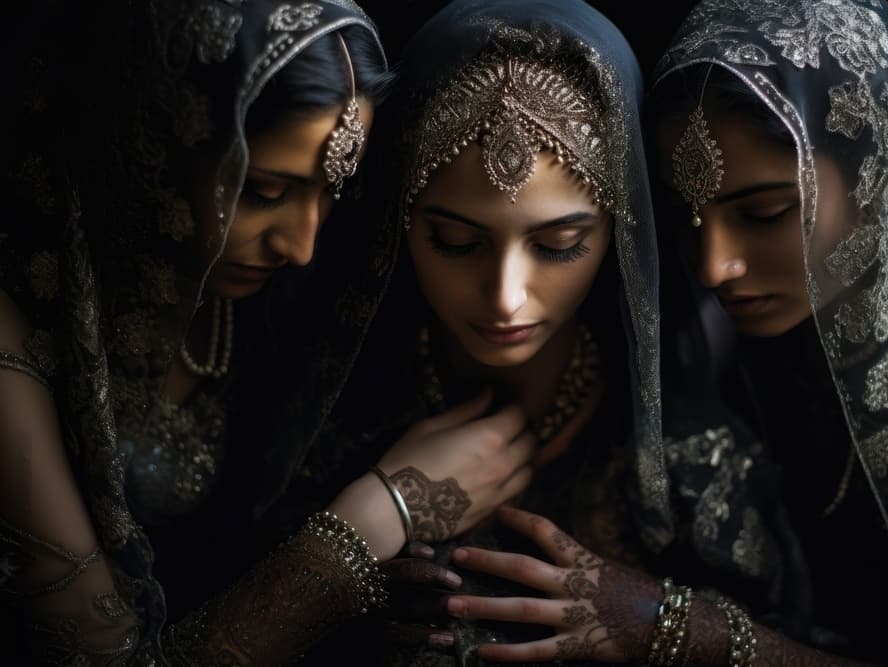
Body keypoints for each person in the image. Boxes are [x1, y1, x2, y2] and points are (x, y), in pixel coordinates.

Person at [0, 0, 534, 663]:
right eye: (264, 192)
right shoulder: (14, 336)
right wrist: (376, 517)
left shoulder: (261, 295)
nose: (301, 246)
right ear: (151, 144)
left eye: (333, 190)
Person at [279, 0, 668, 663]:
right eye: (455, 242)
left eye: (560, 245)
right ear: (398, 222)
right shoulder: (317, 426)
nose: (505, 298)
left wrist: (663, 629)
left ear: (619, 233)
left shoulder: (682, 456)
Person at [638, 0, 888, 664]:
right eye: (687, 216)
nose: (715, 266)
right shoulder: (714, 348)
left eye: (765, 212)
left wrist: (674, 629)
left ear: (876, 173)